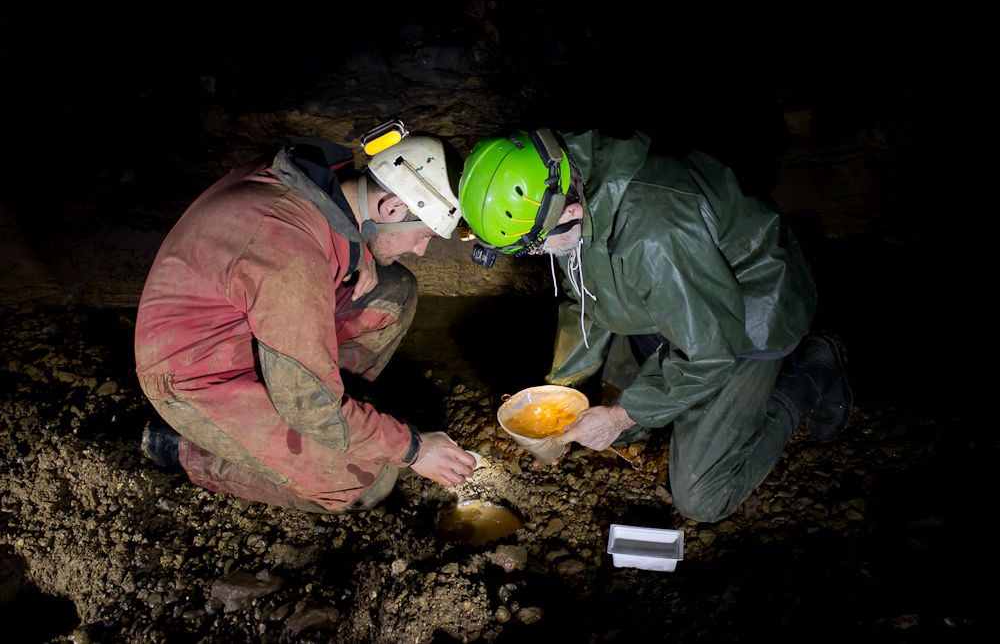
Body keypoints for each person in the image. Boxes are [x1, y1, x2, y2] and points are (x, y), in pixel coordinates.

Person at [458, 128, 852, 523]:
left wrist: (618, 417)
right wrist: (560, 392)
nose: (538, 254)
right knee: (626, 407)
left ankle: (809, 378)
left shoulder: (655, 234)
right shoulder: (562, 186)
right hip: (681, 298)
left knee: (701, 497)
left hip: (752, 317)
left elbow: (709, 352)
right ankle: (657, 407)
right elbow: (585, 298)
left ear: (571, 212)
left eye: (537, 246)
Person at [134, 129, 476, 514]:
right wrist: (413, 449)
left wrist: (356, 250)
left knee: (393, 290)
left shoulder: (316, 178)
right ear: (393, 208)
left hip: (239, 318)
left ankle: (338, 410)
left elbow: (328, 221)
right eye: (424, 235)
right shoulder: (289, 256)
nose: (421, 249)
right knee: (366, 481)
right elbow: (308, 405)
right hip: (196, 375)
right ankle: (182, 449)